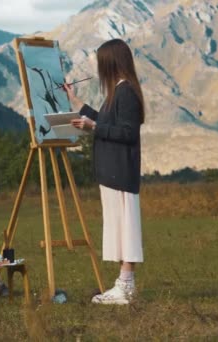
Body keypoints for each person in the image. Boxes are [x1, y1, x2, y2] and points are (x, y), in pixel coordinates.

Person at [63, 38, 145, 305]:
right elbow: (107, 121)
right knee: (119, 228)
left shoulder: (126, 92)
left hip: (120, 172)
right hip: (112, 172)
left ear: (110, 63)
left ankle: (125, 286)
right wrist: (76, 102)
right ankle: (124, 285)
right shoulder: (118, 92)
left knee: (126, 228)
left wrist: (92, 128)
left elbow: (128, 133)